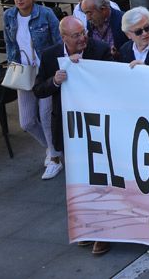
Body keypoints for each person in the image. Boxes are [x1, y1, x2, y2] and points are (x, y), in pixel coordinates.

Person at [33, 17, 109, 253]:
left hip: (98, 128)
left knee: (100, 181)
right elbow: (39, 90)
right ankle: (86, 228)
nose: (82, 38)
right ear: (63, 38)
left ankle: (103, 232)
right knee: (79, 182)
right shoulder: (49, 55)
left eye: (83, 33)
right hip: (70, 129)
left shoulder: (100, 50)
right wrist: (54, 81)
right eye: (76, 36)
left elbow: (111, 83)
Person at [3, 0, 64, 179]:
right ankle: (53, 148)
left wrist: (57, 69)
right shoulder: (9, 16)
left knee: (46, 117)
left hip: (44, 74)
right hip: (23, 73)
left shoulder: (46, 15)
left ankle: (55, 159)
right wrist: (14, 66)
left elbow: (58, 42)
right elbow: (10, 45)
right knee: (27, 122)